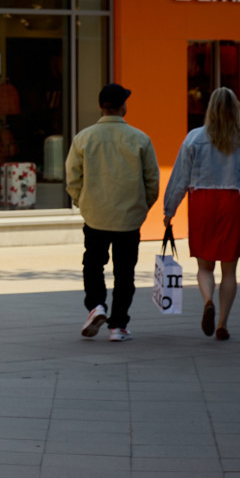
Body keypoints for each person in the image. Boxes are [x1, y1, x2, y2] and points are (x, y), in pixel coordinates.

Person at [161, 87, 240, 342]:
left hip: (203, 202)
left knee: (204, 265)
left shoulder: (194, 138)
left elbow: (180, 177)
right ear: (236, 110)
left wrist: (170, 210)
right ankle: (222, 323)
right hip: (235, 202)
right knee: (230, 271)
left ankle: (208, 300)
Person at [65, 83, 160, 342]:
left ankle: (96, 305)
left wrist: (81, 202)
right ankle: (118, 326)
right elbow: (152, 180)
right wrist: (142, 206)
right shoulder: (140, 139)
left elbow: (72, 178)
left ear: (100, 107)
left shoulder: (84, 138)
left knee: (93, 264)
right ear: (123, 106)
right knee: (125, 272)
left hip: (95, 214)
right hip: (129, 218)